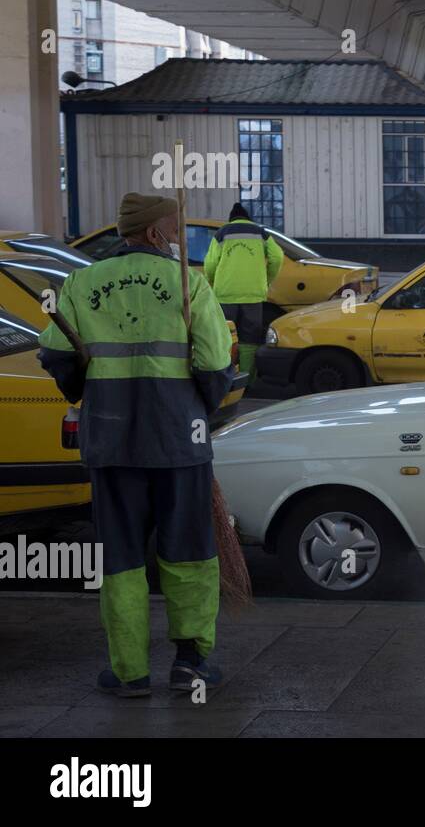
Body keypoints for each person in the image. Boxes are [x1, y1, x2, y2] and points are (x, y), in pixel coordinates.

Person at [38, 192, 235, 696]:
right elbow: (215, 364)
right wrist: (199, 408)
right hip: (178, 443)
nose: (175, 239)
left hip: (112, 441)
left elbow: (57, 356)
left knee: (121, 559)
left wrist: (83, 387)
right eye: (172, 230)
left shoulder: (82, 282)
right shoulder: (188, 283)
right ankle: (190, 664)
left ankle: (129, 673)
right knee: (190, 553)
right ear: (152, 233)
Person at [203, 202, 283, 382]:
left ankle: (225, 377)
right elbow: (277, 257)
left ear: (231, 219)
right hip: (252, 296)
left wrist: (213, 281)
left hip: (225, 294)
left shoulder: (222, 233)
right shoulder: (260, 232)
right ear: (248, 218)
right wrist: (267, 280)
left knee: (225, 336)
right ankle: (247, 380)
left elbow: (210, 263)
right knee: (250, 338)